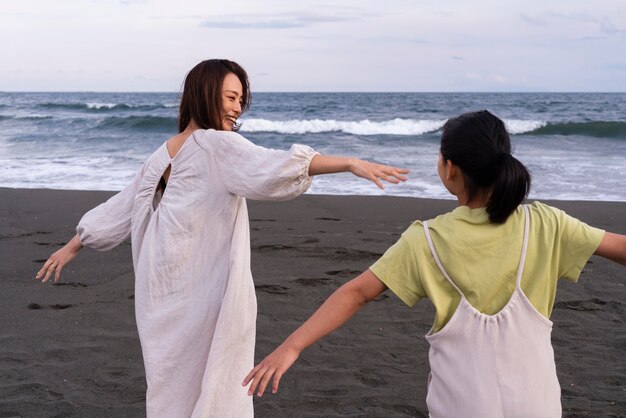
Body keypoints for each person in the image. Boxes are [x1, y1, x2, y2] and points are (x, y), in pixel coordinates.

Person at [35, 59, 409, 417]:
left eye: (241, 100)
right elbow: (271, 166)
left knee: (170, 381)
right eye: (231, 97)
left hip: (159, 292)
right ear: (205, 93)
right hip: (203, 289)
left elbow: (120, 208)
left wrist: (74, 244)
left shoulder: (163, 151)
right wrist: (348, 162)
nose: (238, 109)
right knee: (219, 375)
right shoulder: (215, 145)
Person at [243, 110, 626, 417]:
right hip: (538, 402)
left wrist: (292, 347)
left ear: (450, 168)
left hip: (461, 404)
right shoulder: (546, 223)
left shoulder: (426, 238)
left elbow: (357, 293)